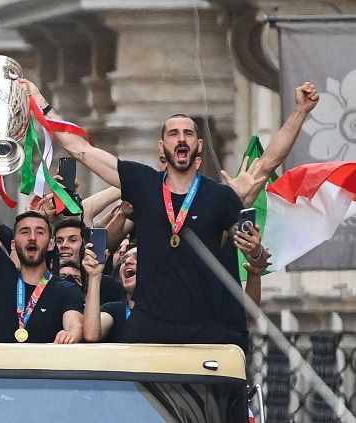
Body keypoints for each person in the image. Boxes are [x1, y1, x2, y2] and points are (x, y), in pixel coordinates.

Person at [21, 79, 251, 348]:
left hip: (204, 331)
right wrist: (39, 101)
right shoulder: (144, 183)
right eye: (173, 133)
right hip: (150, 329)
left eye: (187, 133)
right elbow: (81, 149)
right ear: (162, 145)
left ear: (198, 145)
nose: (181, 139)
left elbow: (248, 243)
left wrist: (300, 113)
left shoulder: (219, 196)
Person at [0, 166, 84, 343]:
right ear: (13, 243)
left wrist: (70, 334)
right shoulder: (0, 275)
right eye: (24, 232)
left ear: (50, 244)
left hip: (41, 370)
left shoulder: (66, 290)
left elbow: (75, 324)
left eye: (40, 232)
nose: (32, 237)